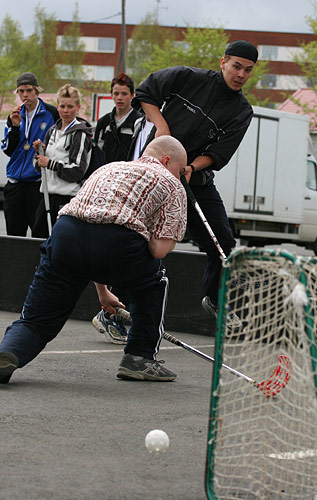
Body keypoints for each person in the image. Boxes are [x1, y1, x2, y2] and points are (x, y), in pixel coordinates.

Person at [0, 135, 187, 385]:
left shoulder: (109, 167)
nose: (182, 175)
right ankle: (139, 357)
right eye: (181, 169)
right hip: (117, 243)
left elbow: (91, 225)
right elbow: (159, 250)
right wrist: (147, 233)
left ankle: (9, 351)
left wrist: (103, 292)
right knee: (155, 280)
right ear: (166, 160)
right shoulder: (171, 183)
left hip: (67, 234)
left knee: (38, 317)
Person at [131, 40, 258, 323]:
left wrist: (190, 166)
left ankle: (215, 299)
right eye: (236, 66)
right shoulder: (189, 77)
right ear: (223, 62)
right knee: (136, 238)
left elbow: (219, 153)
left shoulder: (242, 111)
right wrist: (162, 128)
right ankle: (117, 310)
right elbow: (145, 93)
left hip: (194, 181)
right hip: (155, 172)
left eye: (248, 70)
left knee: (223, 242)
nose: (241, 74)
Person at [92, 73, 142, 345]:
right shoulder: (103, 123)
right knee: (108, 250)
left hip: (129, 192)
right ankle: (109, 312)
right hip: (105, 190)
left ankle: (114, 313)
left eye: (124, 93)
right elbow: (96, 155)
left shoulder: (139, 122)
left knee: (125, 252)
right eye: (116, 93)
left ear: (132, 95)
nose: (120, 98)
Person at [1, 72, 59, 237]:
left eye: (29, 90)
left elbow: (58, 144)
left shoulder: (51, 113)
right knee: (14, 234)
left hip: (37, 183)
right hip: (15, 182)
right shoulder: (15, 115)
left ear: (37, 91)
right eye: (21, 91)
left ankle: (37, 263)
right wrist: (14, 127)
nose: (25, 95)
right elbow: (8, 149)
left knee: (39, 233)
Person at [32, 83, 93, 238]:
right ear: (57, 106)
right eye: (62, 106)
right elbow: (39, 167)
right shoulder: (52, 131)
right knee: (37, 236)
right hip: (46, 195)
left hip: (66, 198)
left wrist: (50, 163)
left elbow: (78, 170)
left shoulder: (80, 134)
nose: (66, 111)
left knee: (61, 241)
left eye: (70, 106)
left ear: (78, 107)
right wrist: (38, 154)